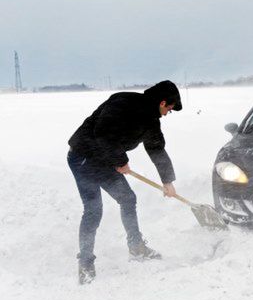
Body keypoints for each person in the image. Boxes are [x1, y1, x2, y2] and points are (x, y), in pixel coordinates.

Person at [67, 80, 182, 284]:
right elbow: (102, 133)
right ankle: (85, 263)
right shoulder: (123, 103)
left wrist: (167, 181)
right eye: (170, 109)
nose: (168, 113)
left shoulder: (151, 120)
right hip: (83, 157)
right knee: (94, 209)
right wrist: (121, 161)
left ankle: (136, 246)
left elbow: (156, 148)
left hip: (105, 160)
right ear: (163, 102)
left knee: (128, 198)